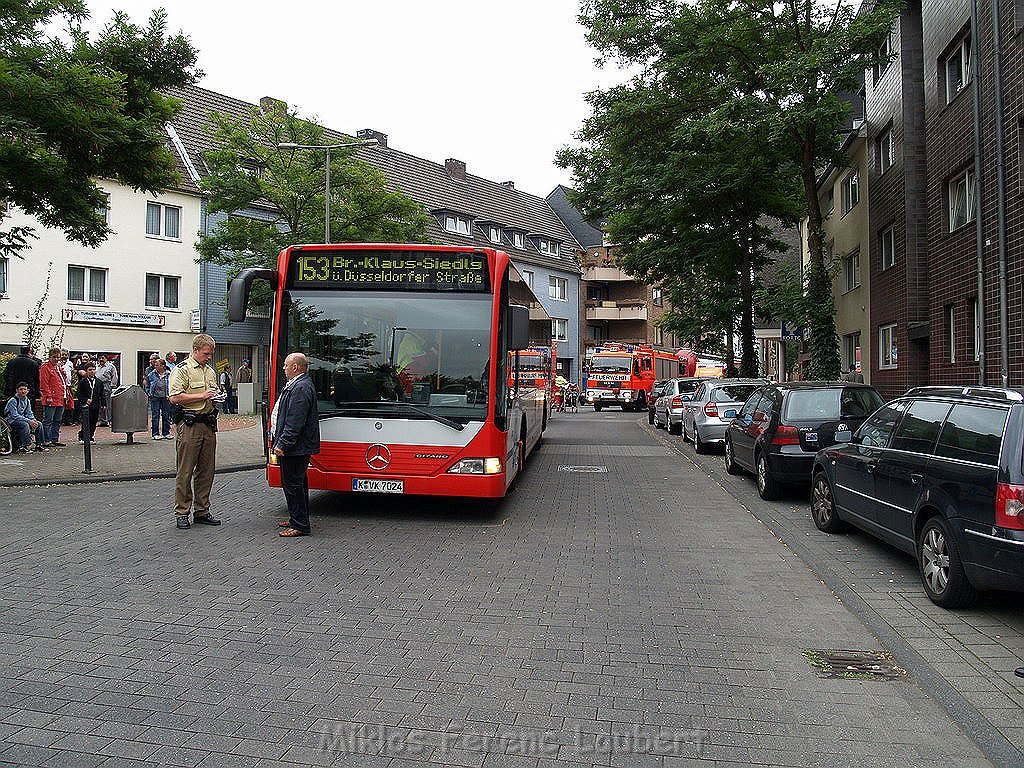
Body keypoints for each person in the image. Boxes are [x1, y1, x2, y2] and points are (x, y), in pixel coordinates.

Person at [168, 334, 221, 530]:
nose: (209, 357)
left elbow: (212, 393)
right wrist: (202, 395)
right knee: (185, 471)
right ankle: (182, 512)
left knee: (206, 471)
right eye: (206, 353)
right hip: (189, 425)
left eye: (211, 354)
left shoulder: (210, 371)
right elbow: (174, 397)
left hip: (207, 423)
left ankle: (202, 510)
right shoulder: (183, 370)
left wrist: (216, 396)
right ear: (196, 350)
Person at [271, 353, 320, 537]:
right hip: (296, 445)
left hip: (295, 446)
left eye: (285, 365)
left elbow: (295, 420)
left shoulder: (301, 387)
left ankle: (300, 524)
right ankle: (296, 518)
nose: (283, 368)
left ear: (295, 368)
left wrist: (283, 443)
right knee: (296, 483)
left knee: (293, 484)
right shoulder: (299, 384)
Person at [38, 348, 69, 447]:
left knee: (57, 419)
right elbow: (44, 383)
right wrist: (48, 395)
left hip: (60, 398)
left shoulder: (58, 368)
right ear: (50, 357)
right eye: (54, 357)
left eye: (58, 357)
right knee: (48, 420)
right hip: (51, 398)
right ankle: (47, 440)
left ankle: (54, 439)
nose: (56, 359)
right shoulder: (45, 368)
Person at [4, 382, 46, 453]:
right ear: (17, 390)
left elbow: (29, 413)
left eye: (24, 389)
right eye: (21, 389)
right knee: (25, 425)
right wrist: (29, 421)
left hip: (22, 419)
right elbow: (14, 415)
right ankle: (24, 446)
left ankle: (39, 445)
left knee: (39, 424)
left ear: (27, 390)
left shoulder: (27, 400)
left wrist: (33, 420)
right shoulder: (13, 401)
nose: (23, 391)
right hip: (11, 420)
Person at [75, 362, 103, 444]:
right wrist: (85, 400)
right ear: (86, 371)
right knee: (87, 421)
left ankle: (91, 436)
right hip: (86, 406)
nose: (92, 371)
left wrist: (103, 404)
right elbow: (79, 394)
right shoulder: (83, 382)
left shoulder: (99, 382)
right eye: (90, 370)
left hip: (96, 404)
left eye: (93, 369)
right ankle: (83, 436)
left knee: (94, 421)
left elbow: (101, 393)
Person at [145, 358, 173, 440]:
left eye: (157, 365)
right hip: (155, 397)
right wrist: (149, 393)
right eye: (155, 365)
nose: (155, 366)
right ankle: (155, 433)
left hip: (166, 397)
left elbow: (172, 384)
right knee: (155, 416)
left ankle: (166, 433)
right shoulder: (151, 374)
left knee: (166, 415)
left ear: (163, 366)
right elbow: (147, 384)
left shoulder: (169, 374)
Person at [94, 354, 119, 426]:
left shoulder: (111, 366)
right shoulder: (97, 367)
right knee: (99, 403)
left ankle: (109, 420)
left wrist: (112, 386)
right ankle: (102, 420)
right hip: (98, 386)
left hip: (106, 386)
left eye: (102, 358)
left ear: (106, 359)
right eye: (99, 358)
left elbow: (114, 376)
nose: (101, 359)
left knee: (108, 404)